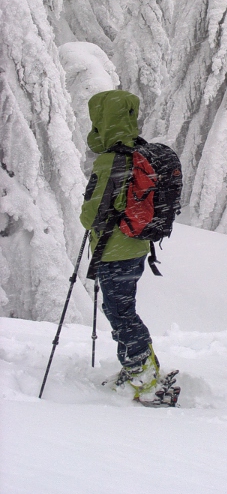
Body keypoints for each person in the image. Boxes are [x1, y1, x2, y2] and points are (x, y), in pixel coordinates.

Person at [80, 90, 160, 398]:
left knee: (119, 312)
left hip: (114, 251)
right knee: (124, 308)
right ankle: (139, 365)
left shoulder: (111, 159)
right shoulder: (140, 152)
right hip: (136, 247)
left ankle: (142, 373)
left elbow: (92, 216)